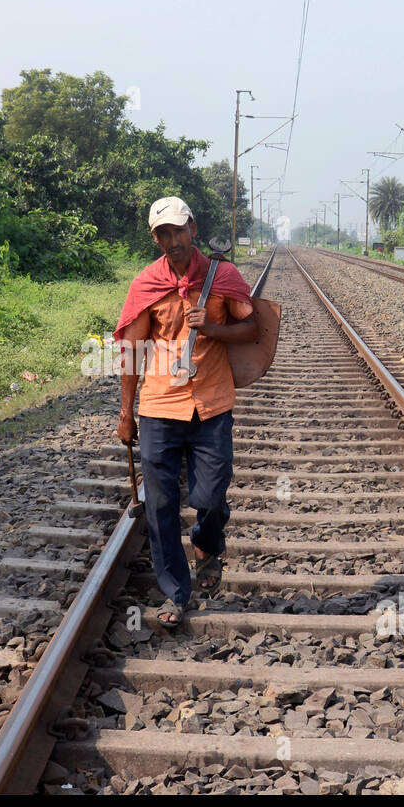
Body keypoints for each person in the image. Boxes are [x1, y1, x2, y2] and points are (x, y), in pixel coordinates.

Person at [113, 196, 258, 629]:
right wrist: (126, 412)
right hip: (159, 405)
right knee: (159, 505)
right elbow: (134, 351)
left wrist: (210, 327)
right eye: (163, 234)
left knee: (209, 498)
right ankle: (176, 593)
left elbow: (252, 327)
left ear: (192, 228)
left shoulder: (222, 275)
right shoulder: (146, 284)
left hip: (211, 403)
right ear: (155, 238)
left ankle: (208, 545)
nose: (172, 241)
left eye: (178, 231)